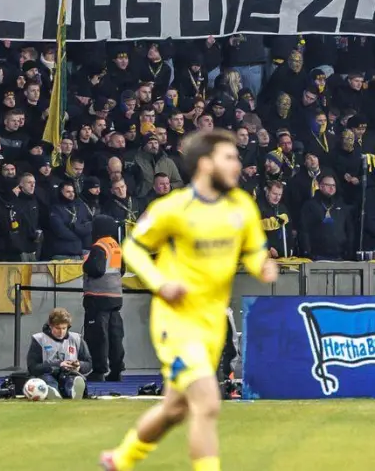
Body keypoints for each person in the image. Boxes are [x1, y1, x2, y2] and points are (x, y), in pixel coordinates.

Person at [101, 131, 278, 471]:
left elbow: (254, 250)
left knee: (175, 410)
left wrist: (262, 265)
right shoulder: (173, 208)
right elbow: (133, 246)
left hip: (212, 323)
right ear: (205, 163)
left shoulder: (241, 206)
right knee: (207, 404)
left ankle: (120, 460)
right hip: (176, 320)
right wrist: (159, 282)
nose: (237, 164)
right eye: (229, 157)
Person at [82, 214, 127, 382]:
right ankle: (116, 369)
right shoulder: (115, 246)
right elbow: (120, 270)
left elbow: (96, 269)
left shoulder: (99, 246)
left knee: (98, 336)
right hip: (115, 296)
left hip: (98, 296)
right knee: (115, 335)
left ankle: (99, 370)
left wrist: (86, 263)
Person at [27, 307, 90, 399]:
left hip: (69, 374)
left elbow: (89, 363)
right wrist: (58, 364)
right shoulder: (39, 339)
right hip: (47, 373)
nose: (61, 332)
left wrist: (79, 365)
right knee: (48, 380)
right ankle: (52, 391)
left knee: (71, 380)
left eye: (64, 328)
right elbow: (32, 367)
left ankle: (72, 391)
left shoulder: (77, 339)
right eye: (57, 328)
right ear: (50, 326)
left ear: (68, 326)